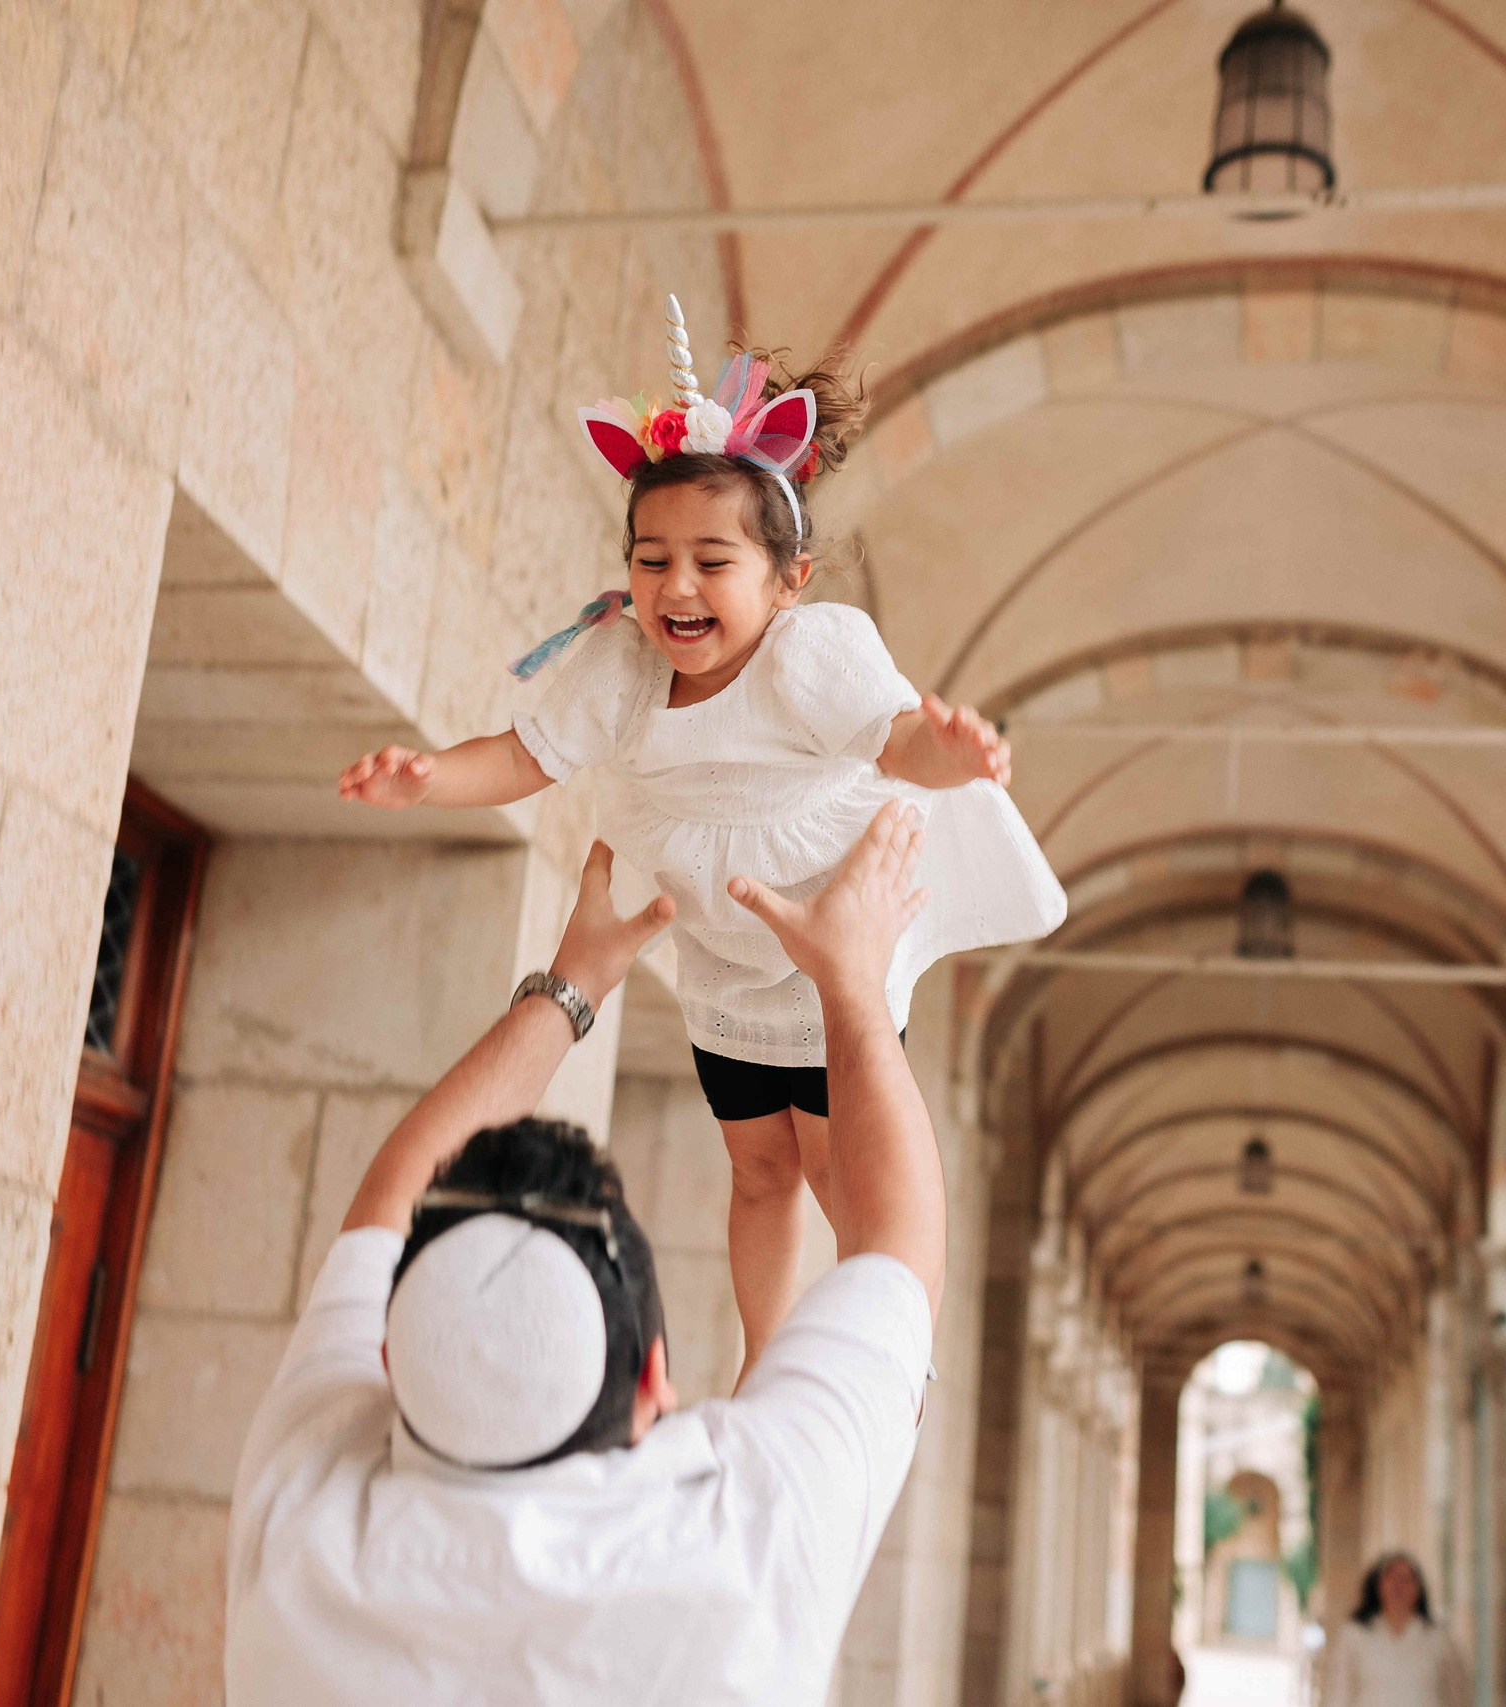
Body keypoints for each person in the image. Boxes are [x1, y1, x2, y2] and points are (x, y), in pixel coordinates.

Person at [338, 295, 1063, 1375]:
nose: (674, 586)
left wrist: (948, 753)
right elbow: (525, 755)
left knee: (828, 1164)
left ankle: (876, 1354)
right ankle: (762, 1355)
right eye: (650, 557)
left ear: (787, 581)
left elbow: (895, 739)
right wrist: (429, 777)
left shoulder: (809, 655)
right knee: (758, 1167)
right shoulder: (622, 666)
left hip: (825, 939)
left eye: (711, 562)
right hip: (726, 952)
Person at [226, 804, 950, 1704]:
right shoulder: (738, 1548)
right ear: (654, 1379)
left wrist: (577, 986)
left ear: (388, 1355)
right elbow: (900, 1243)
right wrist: (851, 983)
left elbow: (900, 1252)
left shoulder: (303, 1520)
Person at [1316, 1552, 1470, 1707]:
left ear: (1419, 1588)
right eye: (1392, 1577)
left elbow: (1457, 1693)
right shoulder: (1355, 1634)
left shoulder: (1439, 1637)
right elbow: (1339, 1692)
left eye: (1407, 1578)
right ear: (1378, 1585)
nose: (1399, 1585)